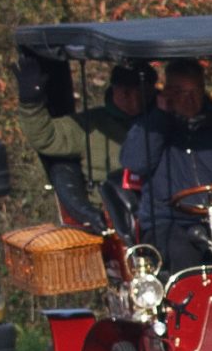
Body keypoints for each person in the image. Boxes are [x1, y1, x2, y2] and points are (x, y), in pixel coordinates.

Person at [119, 60, 212, 272]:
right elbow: (135, 162)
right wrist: (160, 116)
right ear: (168, 91)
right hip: (169, 221)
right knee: (182, 254)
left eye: (195, 91)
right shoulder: (150, 125)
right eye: (180, 92)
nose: (189, 99)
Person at [10, 54, 152, 231]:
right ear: (114, 89)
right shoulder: (90, 124)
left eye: (139, 91)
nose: (131, 98)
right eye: (124, 90)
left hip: (161, 211)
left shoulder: (162, 122)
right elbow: (45, 136)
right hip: (113, 219)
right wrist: (30, 101)